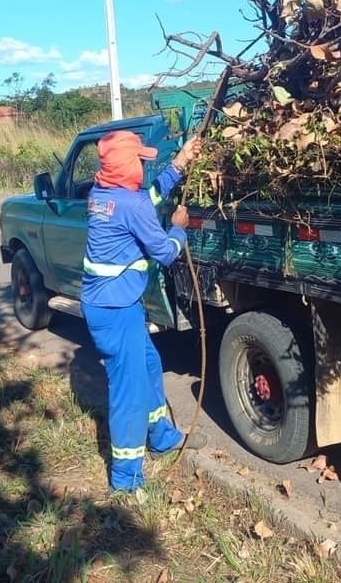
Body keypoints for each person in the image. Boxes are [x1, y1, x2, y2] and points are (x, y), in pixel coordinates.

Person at [81, 129, 205, 492]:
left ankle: (161, 436)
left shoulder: (103, 194)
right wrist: (178, 230)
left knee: (149, 365)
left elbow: (146, 198)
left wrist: (180, 162)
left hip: (114, 306)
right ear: (126, 166)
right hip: (115, 311)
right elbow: (165, 252)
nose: (142, 166)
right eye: (139, 160)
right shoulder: (130, 206)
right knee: (129, 392)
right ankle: (125, 478)